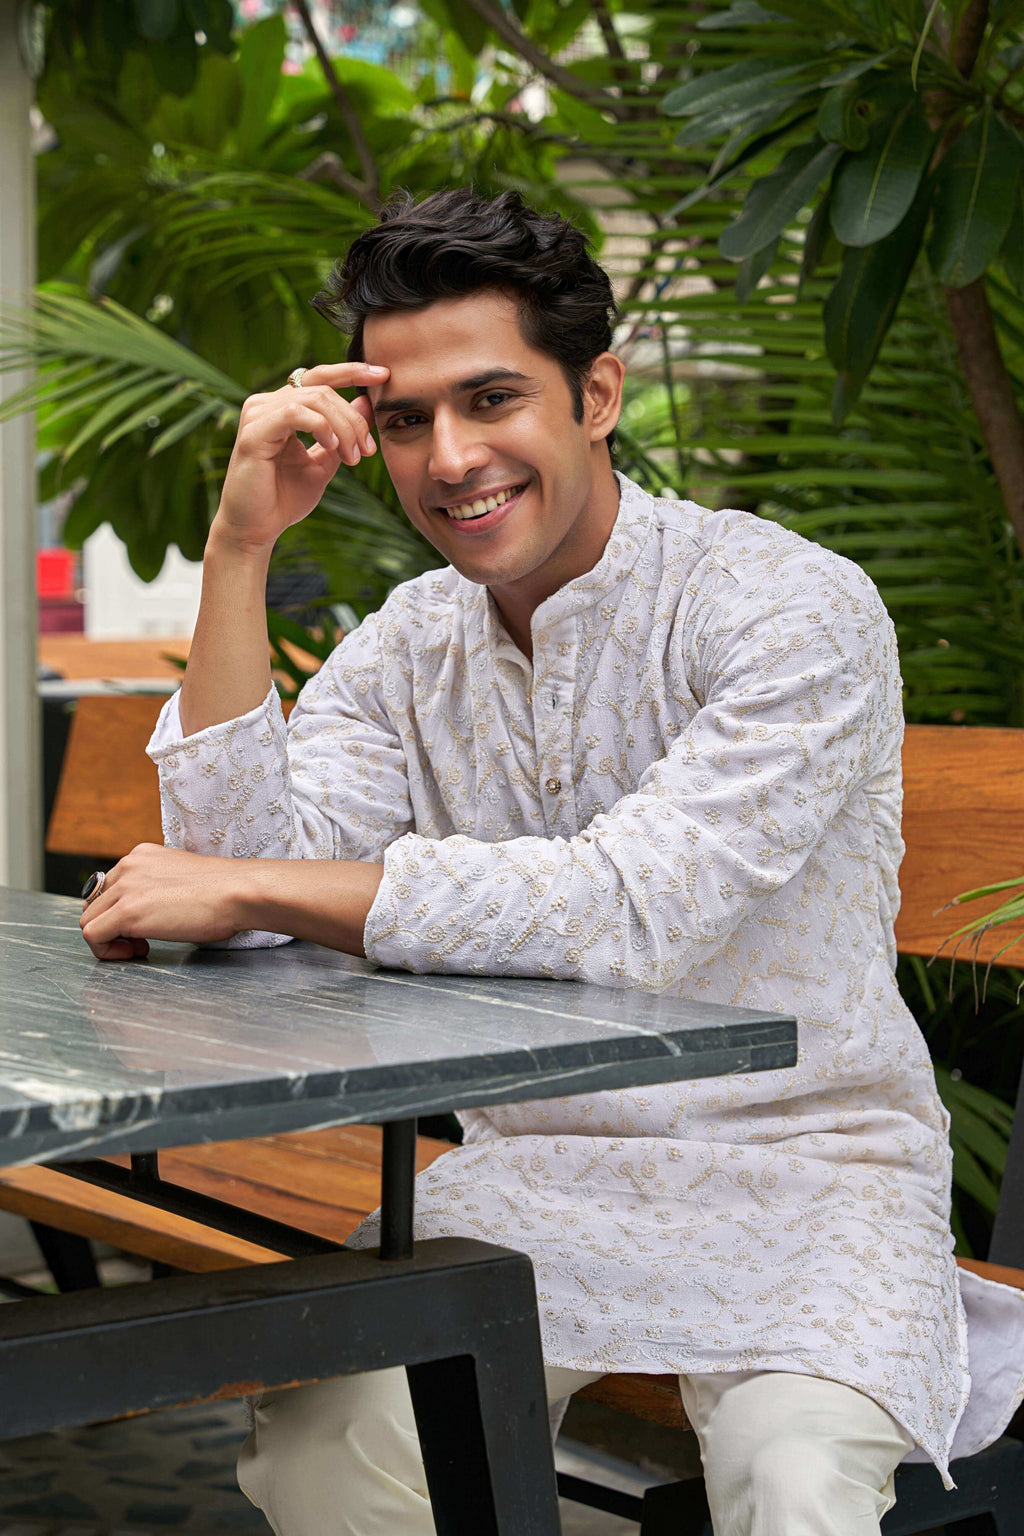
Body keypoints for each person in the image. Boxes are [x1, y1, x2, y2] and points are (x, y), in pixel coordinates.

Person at [79, 188, 1024, 1536]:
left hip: (813, 1176)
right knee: (328, 1433)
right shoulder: (412, 643)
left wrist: (259, 890)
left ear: (597, 395)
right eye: (404, 422)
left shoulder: (785, 607)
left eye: (491, 401)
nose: (449, 458)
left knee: (794, 1477)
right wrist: (245, 546)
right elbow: (228, 885)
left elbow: (628, 906)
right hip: (539, 1177)